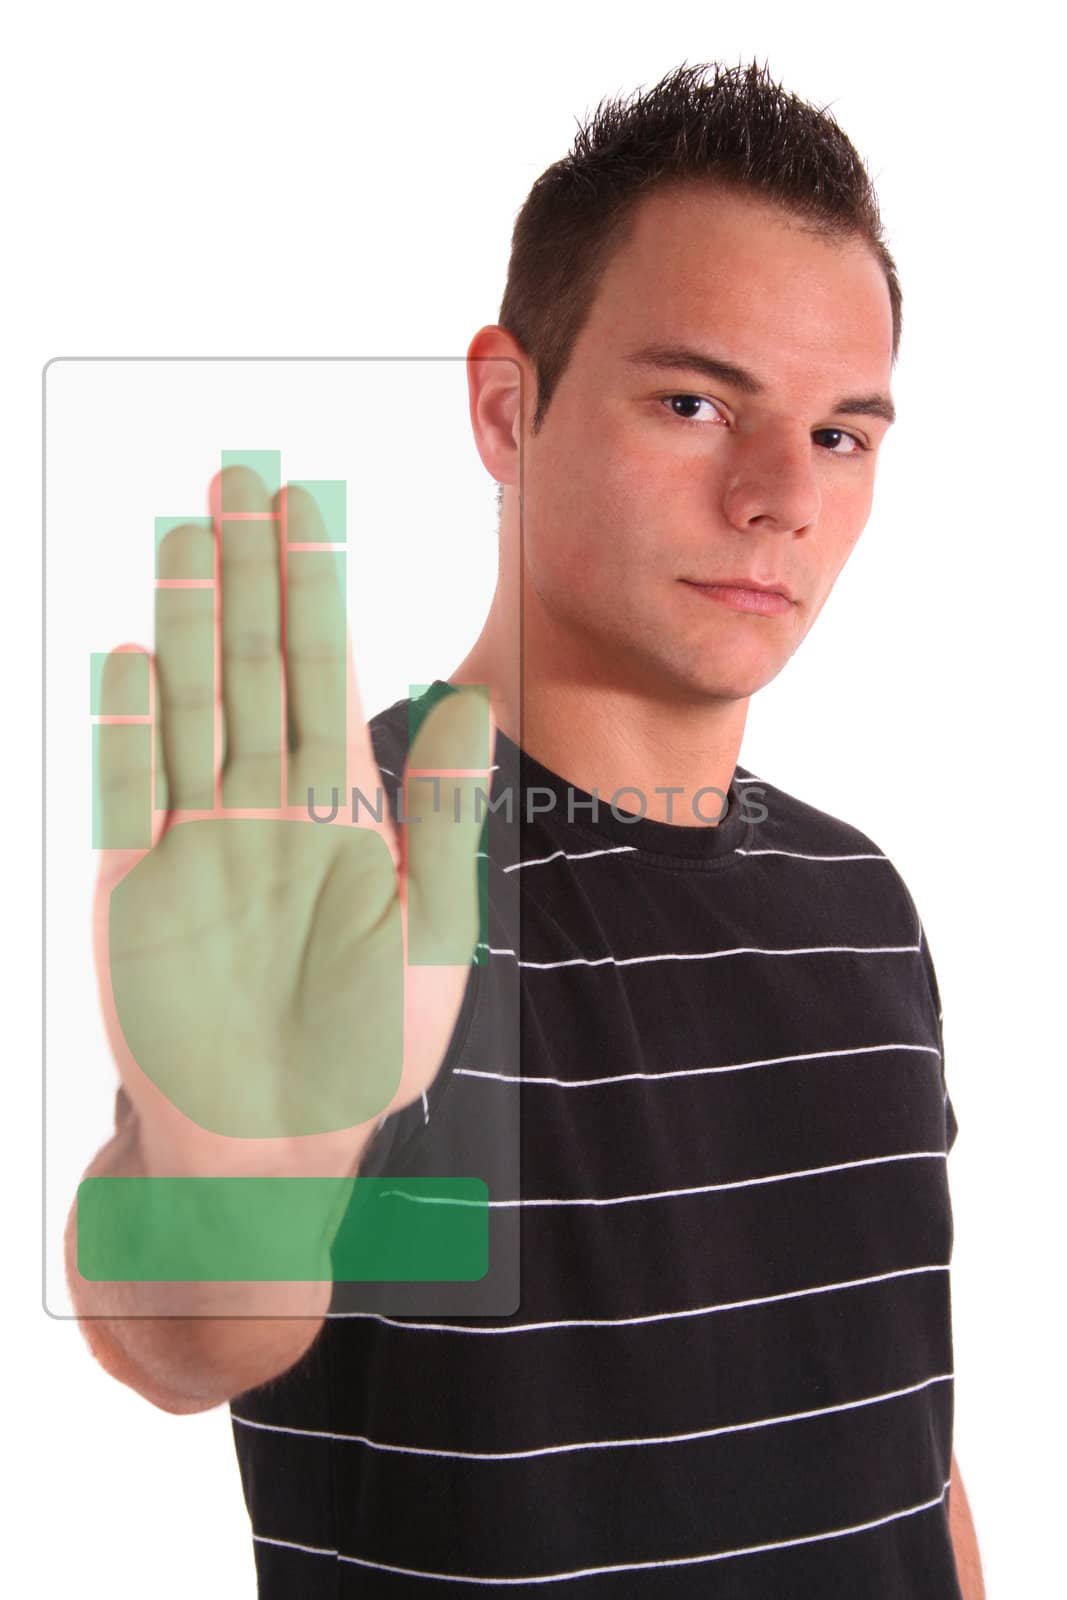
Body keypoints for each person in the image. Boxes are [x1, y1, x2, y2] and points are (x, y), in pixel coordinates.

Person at [67, 60, 986, 1596]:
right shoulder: (351, 870)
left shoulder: (859, 898)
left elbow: (904, 1439)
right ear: (508, 404)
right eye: (694, 402)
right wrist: (241, 1183)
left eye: (843, 435)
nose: (778, 497)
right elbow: (188, 1334)